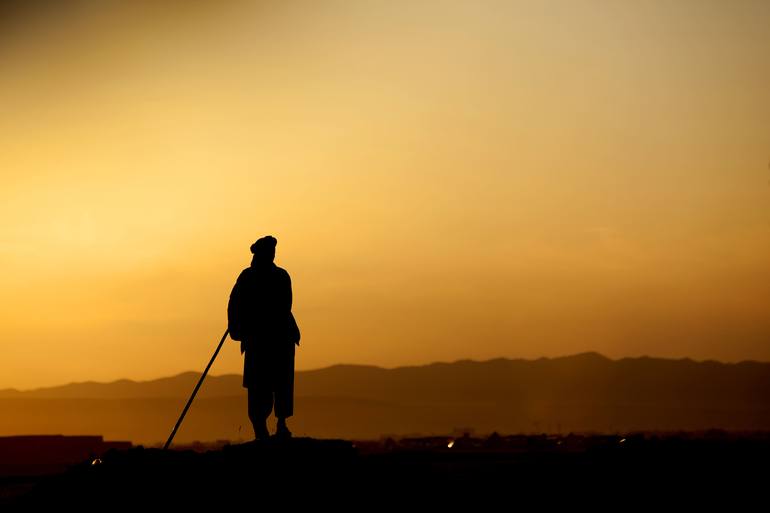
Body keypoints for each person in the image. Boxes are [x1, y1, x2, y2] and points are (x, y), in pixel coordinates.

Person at [227, 235, 300, 440]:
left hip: (279, 338)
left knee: (282, 383)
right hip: (258, 340)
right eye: (268, 252)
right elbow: (234, 303)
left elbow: (285, 305)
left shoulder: (281, 276)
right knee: (258, 386)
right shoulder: (247, 277)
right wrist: (236, 326)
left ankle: (281, 423)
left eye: (273, 252)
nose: (271, 254)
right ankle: (260, 426)